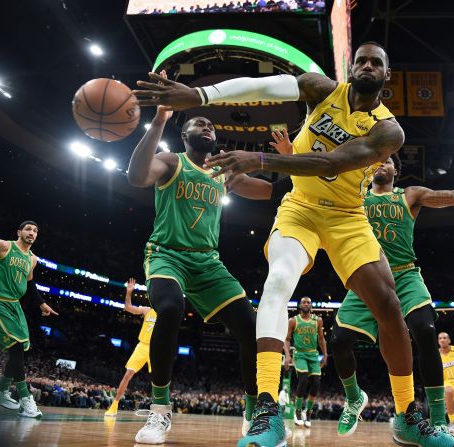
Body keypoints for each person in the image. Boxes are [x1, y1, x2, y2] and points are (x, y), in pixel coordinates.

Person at [133, 42, 454, 447]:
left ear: (386, 75)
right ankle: (268, 410)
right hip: (299, 208)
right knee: (278, 281)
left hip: (347, 216)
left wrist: (263, 162)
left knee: (389, 304)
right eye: (362, 61)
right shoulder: (321, 89)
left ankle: (407, 415)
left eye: (377, 62)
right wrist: (199, 96)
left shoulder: (388, 130)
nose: (368, 66)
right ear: (351, 68)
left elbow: (333, 163)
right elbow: (263, 87)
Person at [269, 129, 454, 439]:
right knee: (339, 342)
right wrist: (289, 157)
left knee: (424, 330)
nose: (382, 164)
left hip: (405, 274)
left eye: (389, 161)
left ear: (396, 169)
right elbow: (315, 183)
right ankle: (354, 397)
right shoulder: (355, 196)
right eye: (377, 160)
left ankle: (437, 418)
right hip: (367, 277)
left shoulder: (410, 195)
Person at [127, 71, 275, 444]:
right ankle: (159, 411)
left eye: (209, 123)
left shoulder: (224, 173)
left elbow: (268, 192)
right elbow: (136, 176)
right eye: (197, 121)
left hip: (208, 263)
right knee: (171, 309)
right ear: (185, 134)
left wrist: (286, 161)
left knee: (249, 328)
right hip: (167, 255)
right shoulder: (172, 162)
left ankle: (251, 412)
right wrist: (160, 118)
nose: (205, 125)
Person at [0, 221, 58, 417]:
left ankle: (0, 392)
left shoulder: (32, 259)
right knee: (16, 348)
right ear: (19, 232)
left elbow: (30, 282)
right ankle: (26, 399)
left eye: (35, 230)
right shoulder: (3, 245)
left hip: (14, 305)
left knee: (20, 349)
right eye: (28, 229)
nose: (32, 233)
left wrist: (41, 303)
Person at [105, 278, 157, 416]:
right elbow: (128, 308)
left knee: (158, 379)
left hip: (156, 348)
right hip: (142, 346)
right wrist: (129, 293)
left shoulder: (166, 313)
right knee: (128, 374)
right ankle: (114, 405)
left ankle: (160, 410)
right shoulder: (147, 310)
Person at [283, 296, 328, 428]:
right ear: (300, 305)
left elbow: (321, 338)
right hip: (300, 354)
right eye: (304, 302)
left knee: (316, 383)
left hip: (313, 355)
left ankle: (307, 412)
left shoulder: (318, 321)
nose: (306, 304)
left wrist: (325, 354)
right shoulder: (293, 321)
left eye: (309, 302)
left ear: (311, 306)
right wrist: (287, 355)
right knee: (303, 380)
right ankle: (297, 411)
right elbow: (286, 340)